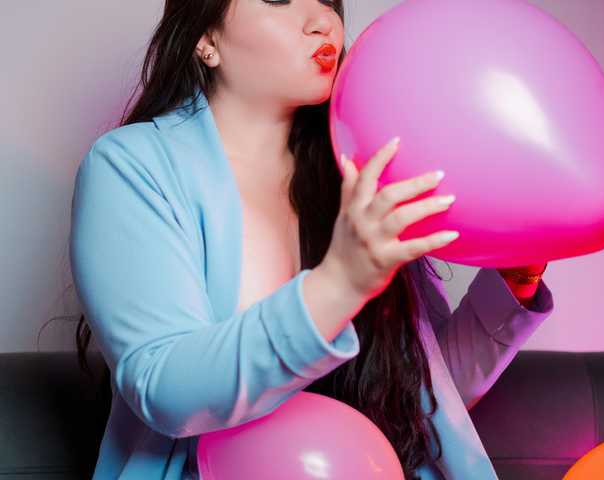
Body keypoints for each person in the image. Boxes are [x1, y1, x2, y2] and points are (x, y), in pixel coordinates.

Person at [69, 0, 554, 478]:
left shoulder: (358, 174)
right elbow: (165, 389)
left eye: (327, 1)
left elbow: (423, 398)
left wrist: (517, 277)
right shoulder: (132, 167)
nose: (324, 21)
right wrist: (339, 283)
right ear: (206, 38)